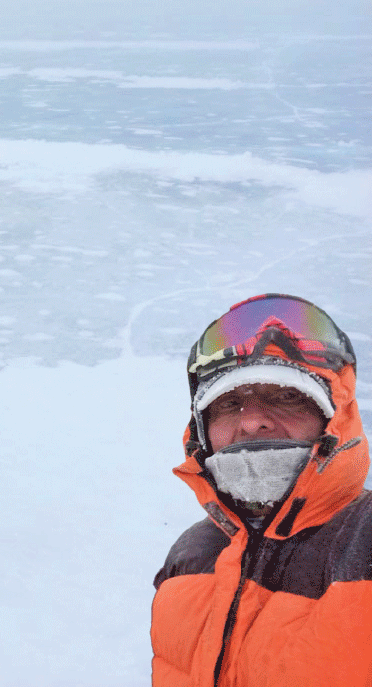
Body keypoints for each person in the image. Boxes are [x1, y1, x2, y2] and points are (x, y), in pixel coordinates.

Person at [151, 293, 372, 685]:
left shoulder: (364, 542)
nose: (252, 421)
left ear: (333, 419)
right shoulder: (191, 555)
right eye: (228, 402)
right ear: (202, 432)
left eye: (288, 396)